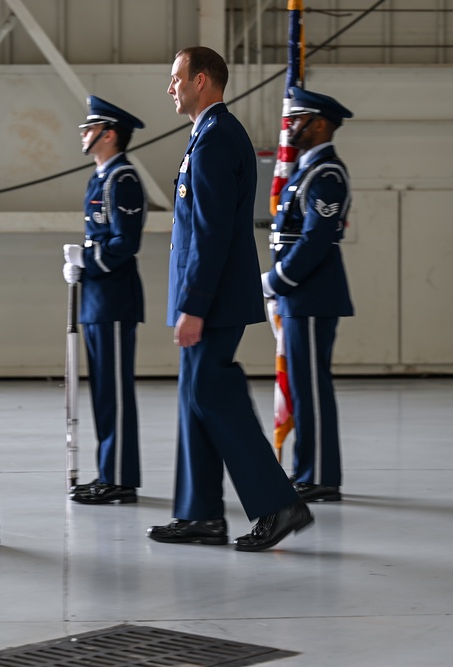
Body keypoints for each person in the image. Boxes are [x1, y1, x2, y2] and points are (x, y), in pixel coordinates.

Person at [146, 47, 312, 552]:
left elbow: (212, 233)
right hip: (205, 295)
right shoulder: (205, 136)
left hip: (211, 298)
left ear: (201, 80)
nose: (169, 87)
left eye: (176, 78)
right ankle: (200, 514)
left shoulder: (217, 139)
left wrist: (194, 305)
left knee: (212, 393)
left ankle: (277, 502)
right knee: (196, 397)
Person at [261, 88, 354, 503]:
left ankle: (323, 477)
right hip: (300, 298)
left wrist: (277, 279)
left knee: (312, 387)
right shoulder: (304, 171)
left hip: (312, 296)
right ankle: (309, 469)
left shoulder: (326, 174)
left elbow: (316, 240)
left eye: (296, 120)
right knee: (301, 386)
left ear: (319, 124)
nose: (289, 127)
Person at [63, 96, 147, 505]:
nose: (83, 133)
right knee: (102, 393)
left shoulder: (123, 179)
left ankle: (119, 479)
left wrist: (87, 260)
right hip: (97, 300)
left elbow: (124, 244)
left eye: (90, 127)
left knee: (113, 393)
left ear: (108, 134)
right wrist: (81, 261)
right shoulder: (100, 178)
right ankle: (108, 472)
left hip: (114, 300)